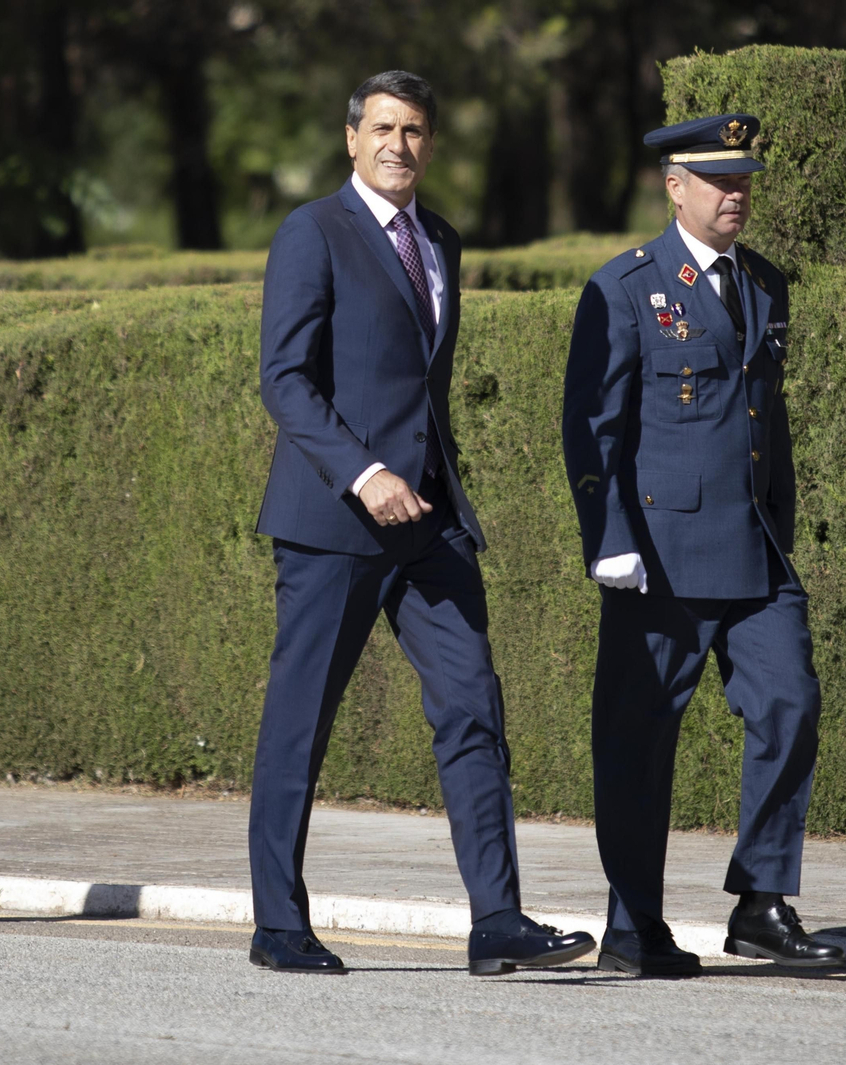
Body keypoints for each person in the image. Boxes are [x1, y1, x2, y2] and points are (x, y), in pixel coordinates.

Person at [249, 70, 594, 977]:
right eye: (385, 128)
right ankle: (278, 924)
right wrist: (364, 473)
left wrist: (426, 482)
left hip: (430, 523)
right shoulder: (312, 231)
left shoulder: (440, 238)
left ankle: (497, 921)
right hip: (333, 521)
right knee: (301, 723)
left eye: (416, 131)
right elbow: (286, 377)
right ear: (352, 138)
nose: (400, 144)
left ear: (430, 145)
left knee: (474, 706)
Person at [560, 113, 846, 976]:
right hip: (661, 555)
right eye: (718, 179)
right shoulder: (626, 287)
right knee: (640, 744)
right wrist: (608, 537)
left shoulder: (766, 284)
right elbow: (590, 426)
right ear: (674, 185)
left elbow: (767, 423)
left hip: (755, 550)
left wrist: (782, 522)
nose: (736, 192)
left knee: (790, 702)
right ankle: (632, 923)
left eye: (745, 177)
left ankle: (760, 901)